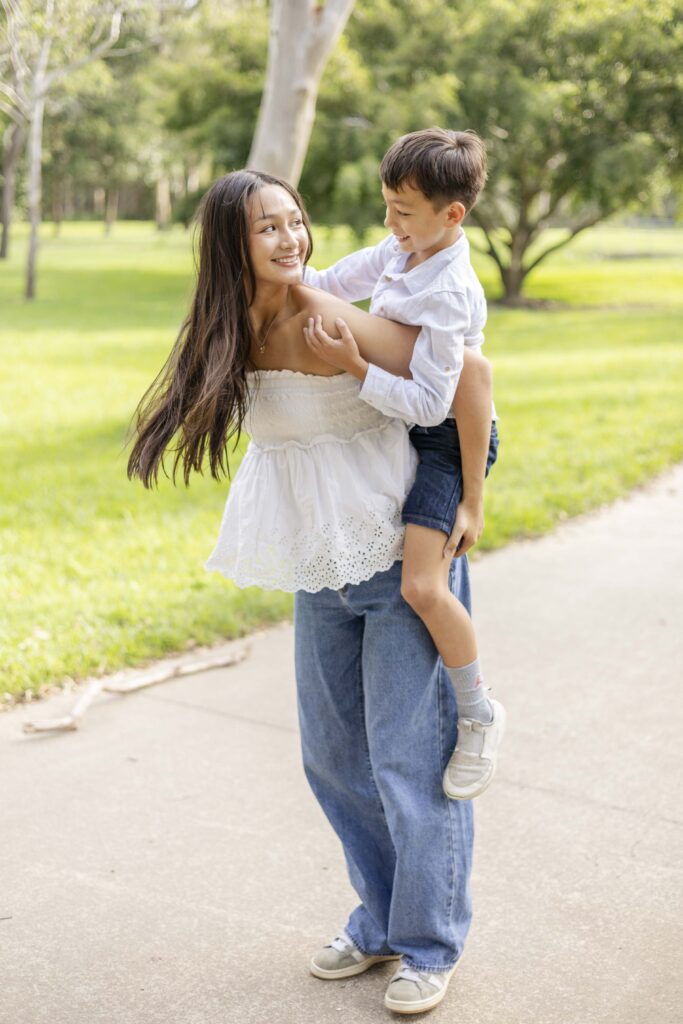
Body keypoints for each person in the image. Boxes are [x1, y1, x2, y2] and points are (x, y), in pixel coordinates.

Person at [127, 169, 491, 1015]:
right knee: (332, 758)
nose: (292, 239)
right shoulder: (225, 330)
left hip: (393, 548)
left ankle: (429, 941)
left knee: (407, 760)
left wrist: (469, 498)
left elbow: (466, 375)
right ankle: (380, 918)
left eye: (296, 221)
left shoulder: (327, 317)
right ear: (230, 246)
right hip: (317, 562)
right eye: (269, 229)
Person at [302, 127, 505, 801]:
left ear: (453, 214)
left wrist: (355, 366)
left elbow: (428, 404)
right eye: (387, 206)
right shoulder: (401, 249)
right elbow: (328, 283)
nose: (390, 224)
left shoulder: (449, 293)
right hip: (401, 429)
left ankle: (478, 713)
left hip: (444, 438)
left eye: (404, 212)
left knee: (421, 586)